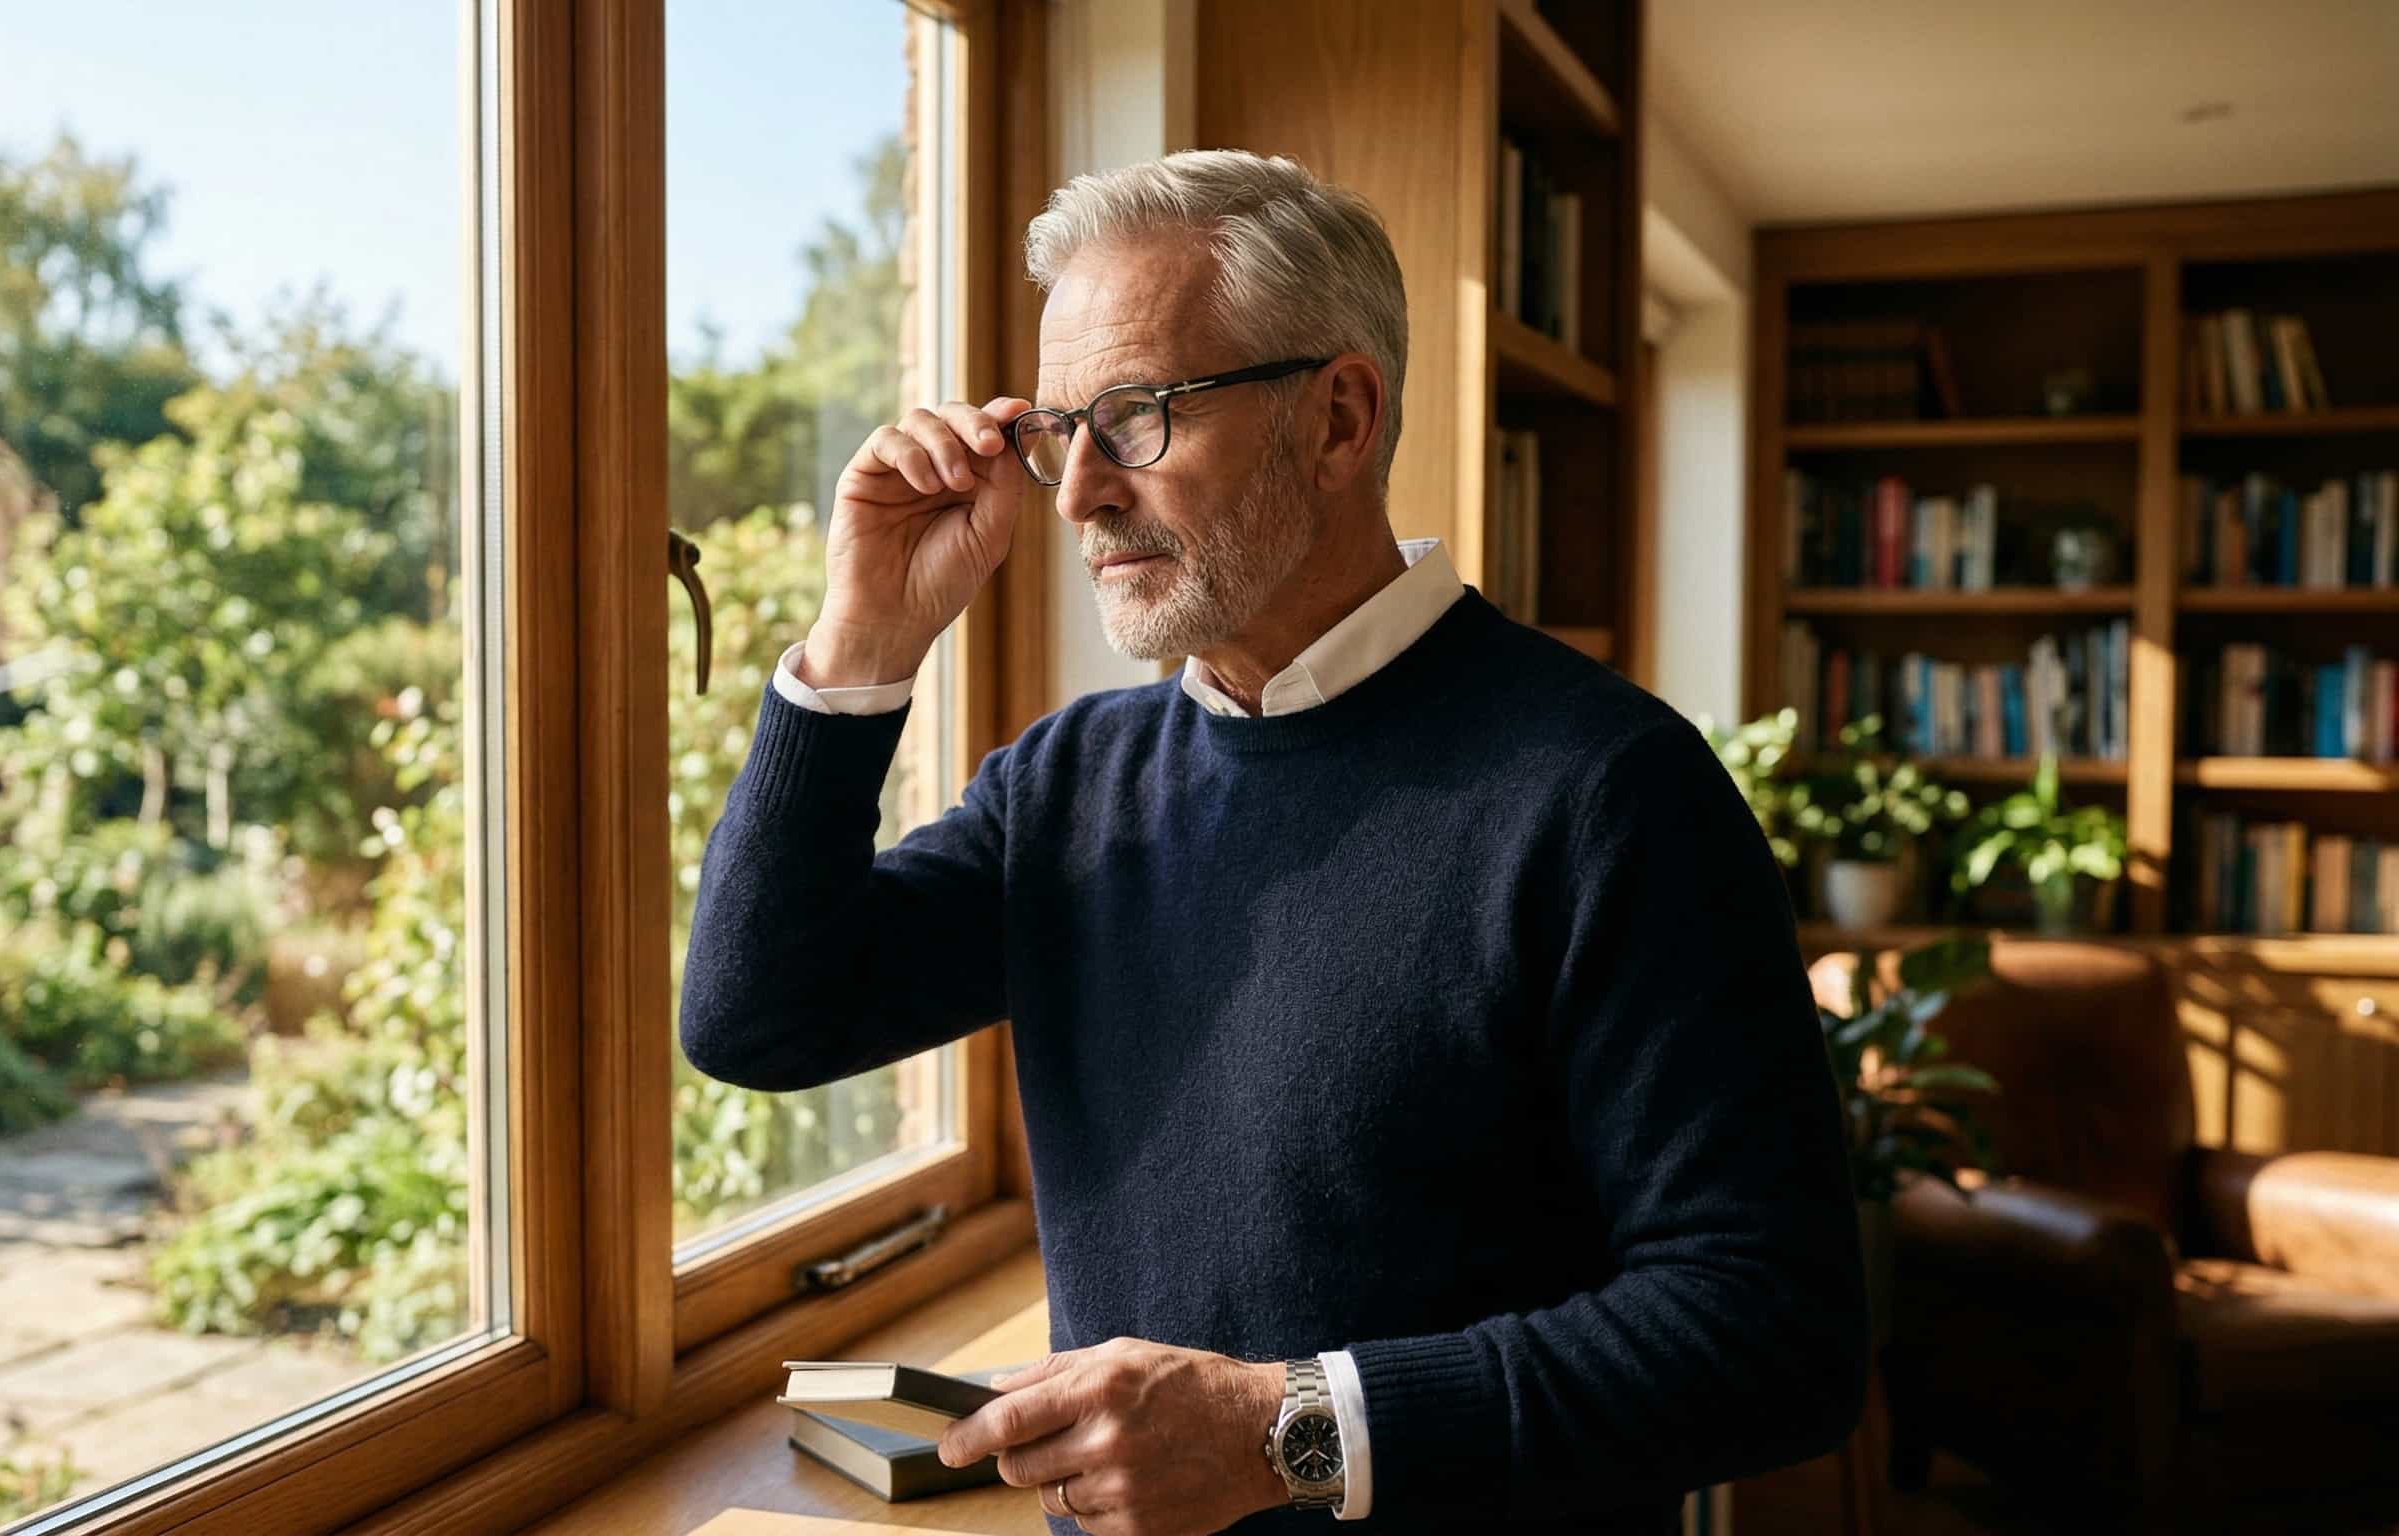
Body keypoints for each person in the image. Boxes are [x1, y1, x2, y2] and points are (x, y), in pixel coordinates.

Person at [679, 149, 1867, 1536]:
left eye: (1134, 419)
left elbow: (1773, 1336)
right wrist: (862, 644)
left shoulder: (1611, 791)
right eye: (1061, 430)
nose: (1077, 496)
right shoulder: (1068, 786)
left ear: (1340, 419)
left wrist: (1287, 1430)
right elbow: (757, 1017)